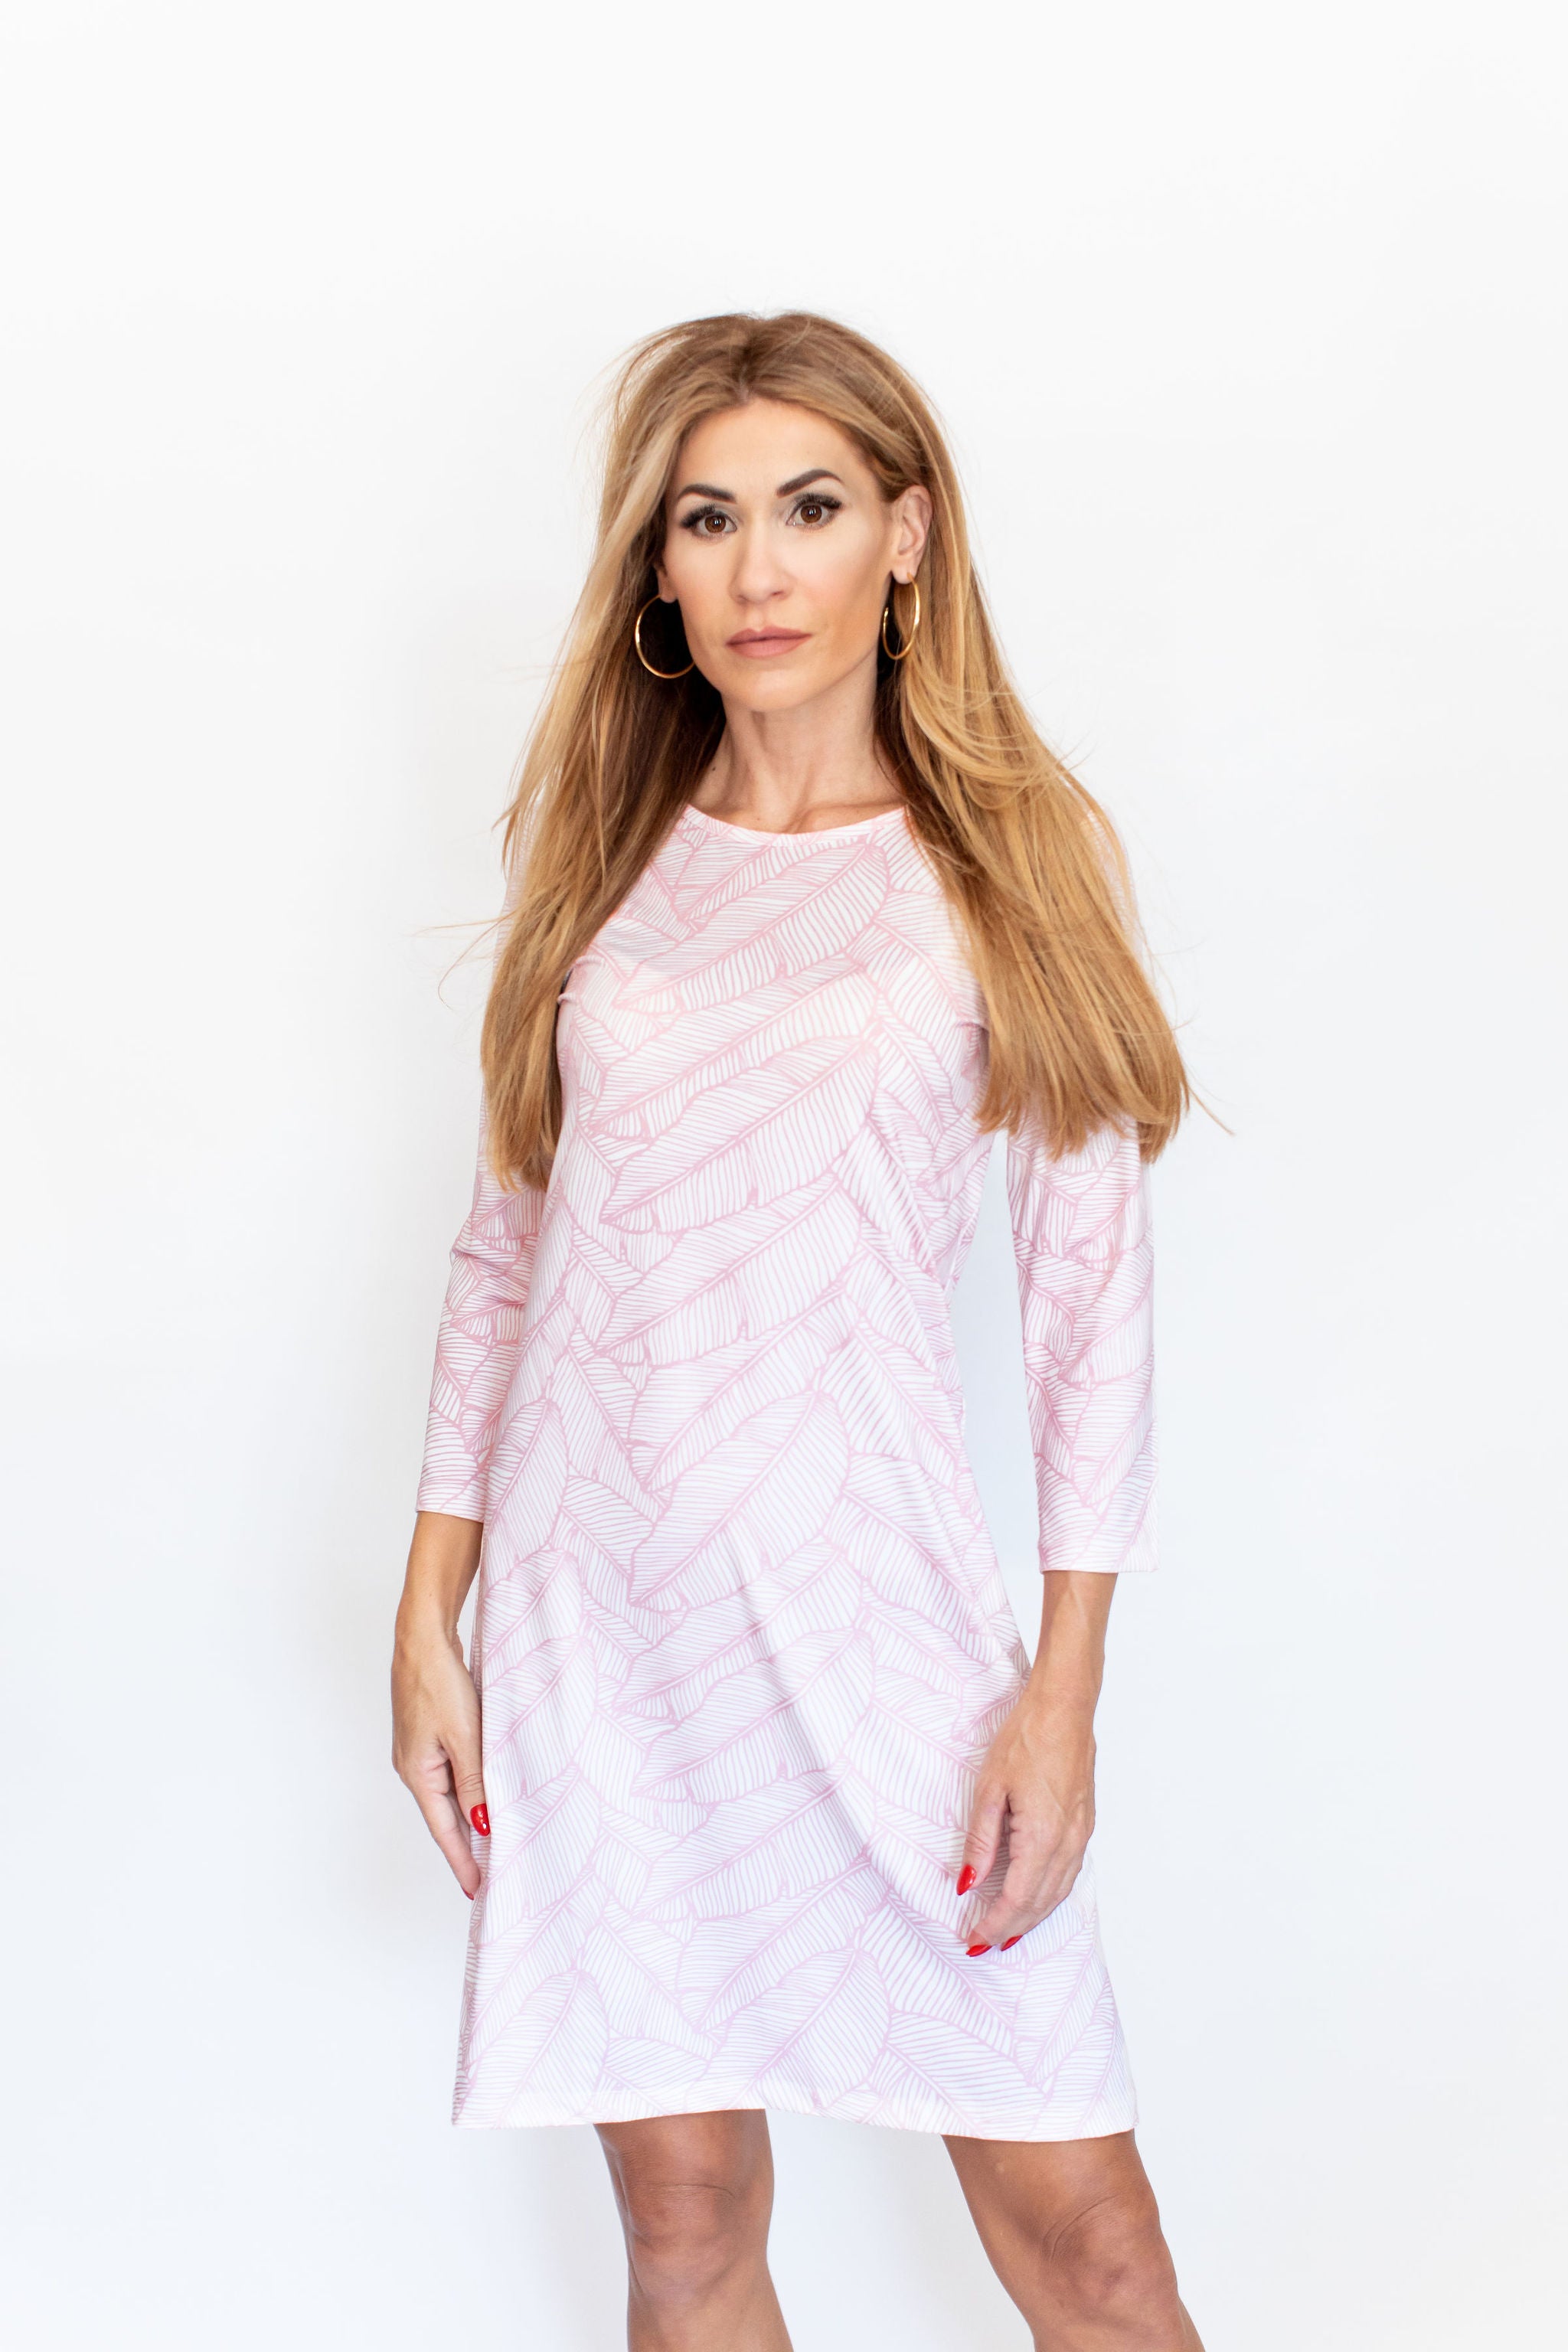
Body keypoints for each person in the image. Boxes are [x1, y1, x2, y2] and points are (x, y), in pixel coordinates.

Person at [393, 309, 1206, 2350]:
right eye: (708, 519)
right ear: (658, 569)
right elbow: (508, 1249)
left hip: (877, 1632)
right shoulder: (608, 869)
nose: (760, 568)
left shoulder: (1001, 870)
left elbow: (1090, 1303)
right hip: (602, 1637)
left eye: (813, 508)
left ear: (906, 537)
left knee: (1092, 2254)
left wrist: (1064, 1688)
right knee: (683, 2230)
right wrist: (429, 1607)